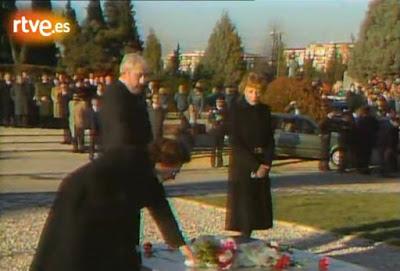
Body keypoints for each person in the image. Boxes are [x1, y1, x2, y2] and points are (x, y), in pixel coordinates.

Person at [30, 138, 196, 271]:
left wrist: (181, 245)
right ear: (163, 162)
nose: (173, 177)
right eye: (174, 171)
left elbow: (161, 210)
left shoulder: (150, 175)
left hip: (103, 206)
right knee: (72, 248)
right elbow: (102, 186)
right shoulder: (129, 158)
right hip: (82, 200)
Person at [225, 72, 275, 239]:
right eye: (251, 91)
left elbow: (270, 139)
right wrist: (255, 165)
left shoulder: (265, 111)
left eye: (258, 92)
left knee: (257, 209)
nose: (254, 96)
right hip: (243, 164)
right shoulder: (236, 110)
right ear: (244, 90)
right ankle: (242, 240)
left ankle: (249, 239)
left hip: (262, 162)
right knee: (244, 210)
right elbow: (235, 142)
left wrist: (266, 164)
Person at [100, 53, 153, 151]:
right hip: (121, 158)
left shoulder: (137, 93)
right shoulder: (114, 94)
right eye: (139, 75)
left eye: (145, 76)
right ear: (126, 73)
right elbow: (119, 132)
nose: (143, 81)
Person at [207, 96, 228, 167]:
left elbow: (228, 120)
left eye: (221, 101)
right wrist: (215, 121)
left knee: (220, 148)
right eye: (218, 101)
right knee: (213, 148)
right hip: (214, 131)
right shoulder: (212, 110)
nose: (219, 103)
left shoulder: (226, 110)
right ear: (216, 102)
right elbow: (209, 119)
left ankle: (220, 163)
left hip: (222, 131)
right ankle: (213, 163)